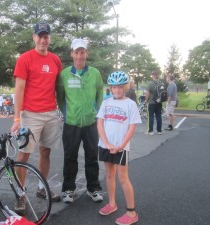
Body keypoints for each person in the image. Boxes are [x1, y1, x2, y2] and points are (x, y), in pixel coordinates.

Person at [10, 22, 62, 214]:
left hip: (50, 113)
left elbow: (58, 88)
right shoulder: (25, 59)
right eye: (39, 36)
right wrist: (17, 119)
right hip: (30, 115)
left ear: (49, 38)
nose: (43, 40)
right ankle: (20, 194)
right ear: (34, 37)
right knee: (24, 155)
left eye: (46, 36)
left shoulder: (55, 60)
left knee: (46, 152)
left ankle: (42, 188)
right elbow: (19, 89)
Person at [56, 38, 104, 203]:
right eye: (76, 52)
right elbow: (60, 98)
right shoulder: (64, 74)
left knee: (92, 157)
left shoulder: (95, 73)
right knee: (70, 157)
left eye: (82, 52)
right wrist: (67, 113)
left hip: (90, 123)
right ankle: (68, 189)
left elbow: (100, 94)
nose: (79, 55)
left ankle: (94, 188)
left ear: (86, 54)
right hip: (71, 123)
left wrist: (96, 113)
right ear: (72, 54)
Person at [97, 71, 141, 225]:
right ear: (111, 88)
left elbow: (131, 128)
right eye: (114, 88)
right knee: (109, 174)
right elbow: (100, 124)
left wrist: (120, 146)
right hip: (105, 145)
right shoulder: (106, 102)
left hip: (121, 147)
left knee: (123, 178)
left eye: (120, 87)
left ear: (125, 87)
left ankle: (131, 212)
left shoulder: (131, 104)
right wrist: (106, 143)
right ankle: (112, 204)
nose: (117, 90)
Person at [145, 70, 163, 135]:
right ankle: (159, 130)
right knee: (159, 116)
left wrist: (146, 100)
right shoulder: (161, 83)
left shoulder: (150, 83)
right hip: (159, 102)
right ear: (157, 75)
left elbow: (148, 93)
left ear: (153, 75)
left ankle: (151, 131)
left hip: (152, 102)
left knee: (151, 116)